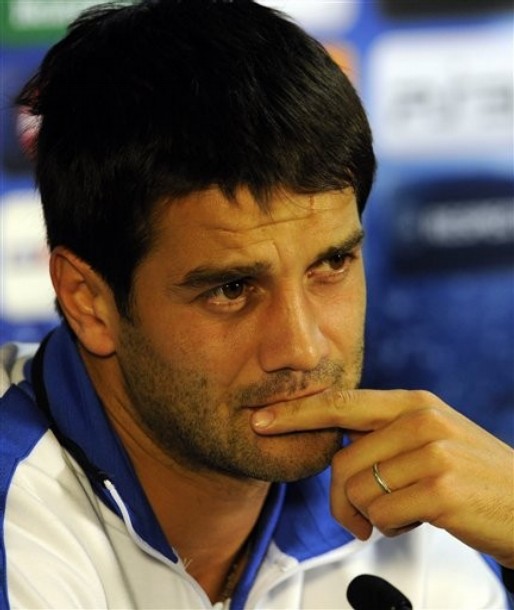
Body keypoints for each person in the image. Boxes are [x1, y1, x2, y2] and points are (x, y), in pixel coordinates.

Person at [0, 1, 512, 608]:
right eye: (232, 289)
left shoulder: (418, 516)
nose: (304, 348)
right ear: (89, 302)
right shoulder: (17, 511)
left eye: (332, 264)